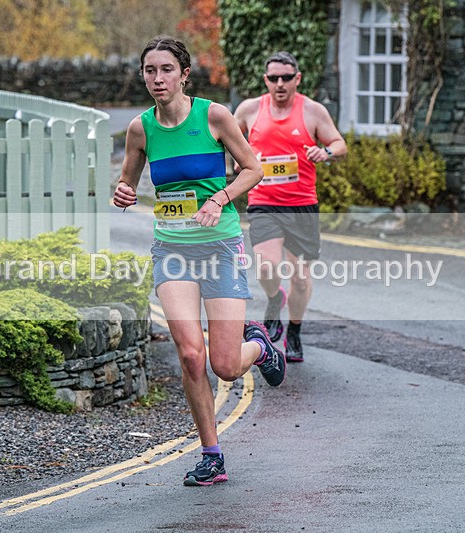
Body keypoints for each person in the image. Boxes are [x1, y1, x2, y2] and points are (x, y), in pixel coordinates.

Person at [113, 36, 286, 487]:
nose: (157, 79)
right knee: (191, 356)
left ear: (184, 74)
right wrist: (123, 193)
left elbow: (254, 168)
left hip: (220, 245)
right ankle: (212, 454)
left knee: (226, 365)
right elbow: (127, 183)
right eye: (149, 71)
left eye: (166, 69)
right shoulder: (141, 129)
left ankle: (260, 347)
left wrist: (221, 198)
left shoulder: (214, 116)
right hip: (172, 250)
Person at [233, 51, 348, 363]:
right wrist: (234, 157)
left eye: (286, 78)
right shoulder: (250, 109)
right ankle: (274, 298)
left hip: (301, 205)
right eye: (273, 78)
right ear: (266, 80)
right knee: (267, 266)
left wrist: (325, 152)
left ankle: (294, 330)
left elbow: (340, 144)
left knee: (299, 278)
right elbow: (226, 138)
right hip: (264, 202)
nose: (280, 84)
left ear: (297, 79)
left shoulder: (312, 110)